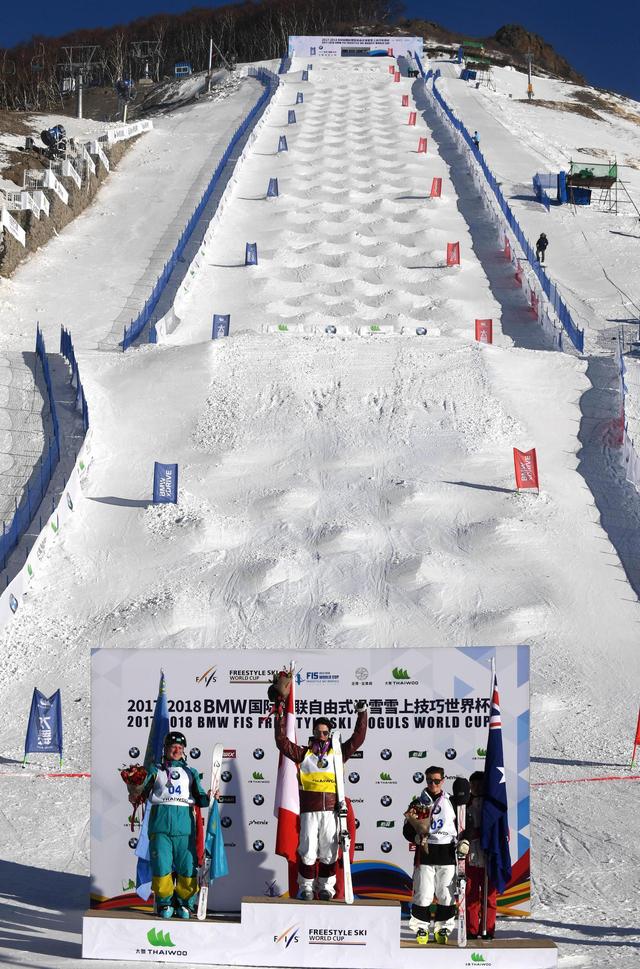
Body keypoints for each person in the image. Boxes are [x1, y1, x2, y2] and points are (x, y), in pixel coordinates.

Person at [273, 690, 368, 900]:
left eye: (325, 733)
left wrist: (362, 714)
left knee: (329, 850)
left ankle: (326, 887)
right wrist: (279, 715)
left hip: (331, 811)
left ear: (330, 734)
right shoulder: (304, 753)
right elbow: (281, 742)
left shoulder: (338, 753)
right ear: (313, 733)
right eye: (318, 732)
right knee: (307, 849)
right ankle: (306, 887)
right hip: (309, 810)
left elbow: (358, 739)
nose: (321, 736)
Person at [135, 731, 210, 919]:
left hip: (184, 829)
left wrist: (208, 797)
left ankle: (185, 903)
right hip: (160, 829)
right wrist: (134, 790)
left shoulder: (190, 773)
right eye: (173, 747)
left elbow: (200, 798)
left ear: (183, 751)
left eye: (180, 748)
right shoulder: (155, 769)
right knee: (162, 867)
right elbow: (141, 792)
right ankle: (165, 903)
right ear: (166, 748)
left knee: (187, 868)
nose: (176, 750)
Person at [403, 767, 469, 945]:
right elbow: (407, 829)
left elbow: (464, 824)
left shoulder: (452, 802)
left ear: (443, 781)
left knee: (446, 895)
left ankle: (443, 928)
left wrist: (465, 842)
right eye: (430, 780)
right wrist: (415, 836)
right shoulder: (417, 803)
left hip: (447, 852)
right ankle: (421, 928)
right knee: (423, 893)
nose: (433, 784)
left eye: (436, 781)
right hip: (426, 852)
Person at [463, 770, 498, 939]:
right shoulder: (464, 803)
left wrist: (481, 834)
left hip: (488, 856)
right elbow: (459, 828)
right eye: (473, 784)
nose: (476, 787)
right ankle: (471, 930)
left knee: (489, 896)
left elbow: (499, 830)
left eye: (480, 784)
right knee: (471, 894)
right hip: (471, 856)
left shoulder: (492, 804)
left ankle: (488, 929)